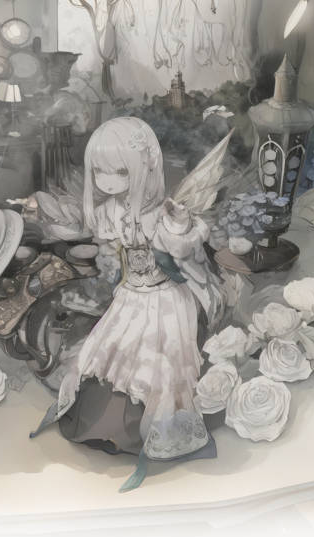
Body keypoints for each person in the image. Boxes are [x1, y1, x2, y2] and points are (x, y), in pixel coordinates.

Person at [31, 116, 219, 491]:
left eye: (119, 171)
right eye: (99, 171)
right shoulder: (110, 209)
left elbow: (183, 247)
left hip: (164, 299)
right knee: (107, 352)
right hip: (131, 294)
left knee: (154, 362)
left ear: (145, 166)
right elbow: (84, 230)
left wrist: (179, 223)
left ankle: (140, 431)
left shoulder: (162, 212)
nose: (108, 181)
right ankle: (105, 424)